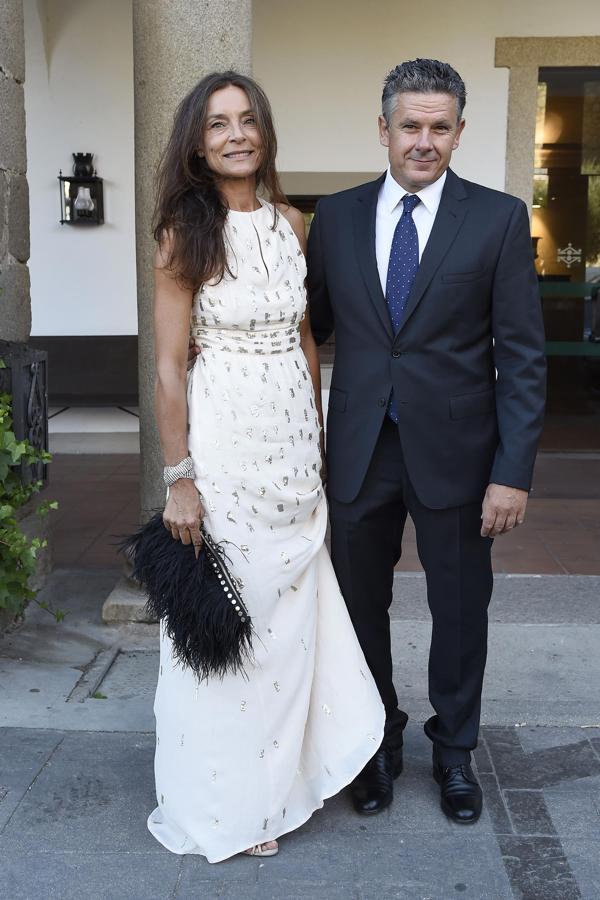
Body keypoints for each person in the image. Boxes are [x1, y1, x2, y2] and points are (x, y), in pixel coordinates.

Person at [148, 70, 384, 863]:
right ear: (197, 140)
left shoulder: (292, 222)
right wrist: (179, 477)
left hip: (291, 454)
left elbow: (306, 337)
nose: (236, 134)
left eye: (248, 120)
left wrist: (316, 438)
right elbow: (170, 367)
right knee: (229, 625)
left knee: (288, 632)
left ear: (266, 132)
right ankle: (227, 801)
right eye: (218, 124)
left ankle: (280, 786)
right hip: (224, 451)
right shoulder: (185, 231)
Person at [306, 58, 546, 824]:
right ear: (383, 128)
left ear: (460, 131)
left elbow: (524, 356)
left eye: (440, 127)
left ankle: (453, 753)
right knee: (356, 608)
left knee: (461, 607)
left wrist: (512, 472)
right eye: (410, 125)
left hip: (460, 457)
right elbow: (306, 333)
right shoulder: (335, 218)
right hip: (358, 449)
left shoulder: (499, 219)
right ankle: (376, 747)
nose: (424, 141)